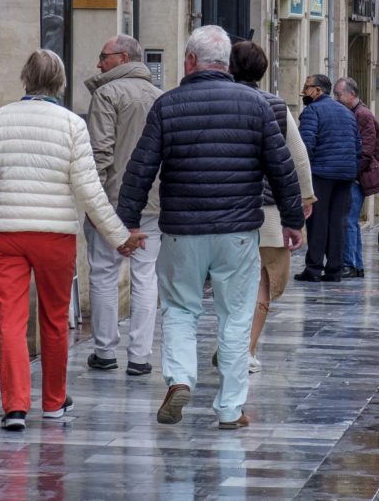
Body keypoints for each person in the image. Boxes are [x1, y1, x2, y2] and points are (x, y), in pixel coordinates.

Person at [117, 25, 305, 430]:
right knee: (235, 316)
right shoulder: (255, 105)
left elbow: (140, 168)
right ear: (224, 64)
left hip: (182, 230)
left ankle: (181, 378)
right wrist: (292, 221)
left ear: (189, 61)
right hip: (238, 231)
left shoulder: (168, 105)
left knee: (180, 309)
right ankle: (230, 409)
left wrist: (127, 223)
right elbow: (282, 168)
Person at [0, 50, 146, 431]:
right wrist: (119, 237)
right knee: (54, 318)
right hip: (53, 236)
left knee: (12, 321)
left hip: (3, 234)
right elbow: (89, 189)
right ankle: (52, 402)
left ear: (24, 78)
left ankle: (15, 407)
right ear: (60, 83)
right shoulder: (71, 125)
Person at [230, 41, 315, 372]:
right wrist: (304, 200)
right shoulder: (275, 106)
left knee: (228, 283)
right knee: (262, 282)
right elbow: (298, 157)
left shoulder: (216, 102)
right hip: (267, 212)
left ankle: (229, 342)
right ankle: (246, 349)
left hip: (224, 211)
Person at [84, 34, 163, 377]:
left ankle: (104, 350)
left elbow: (100, 152)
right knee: (145, 275)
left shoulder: (106, 94)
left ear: (122, 58)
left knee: (103, 271)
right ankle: (140, 356)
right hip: (154, 202)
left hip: (113, 201)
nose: (99, 64)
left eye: (103, 56)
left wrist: (94, 200)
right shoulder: (160, 96)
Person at [295, 74, 362, 283]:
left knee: (317, 220)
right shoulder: (347, 112)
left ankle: (313, 269)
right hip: (345, 175)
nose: (304, 92)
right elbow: (357, 146)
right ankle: (334, 269)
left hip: (322, 173)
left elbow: (305, 146)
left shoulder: (312, 111)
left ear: (318, 90)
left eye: (307, 88)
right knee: (337, 221)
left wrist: (305, 175)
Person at [334, 76, 379, 275]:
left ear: (352, 94)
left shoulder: (363, 115)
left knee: (348, 220)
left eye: (339, 94)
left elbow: (366, 151)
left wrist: (351, 172)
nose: (336, 98)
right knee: (351, 221)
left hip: (357, 176)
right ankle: (356, 265)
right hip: (355, 174)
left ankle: (349, 264)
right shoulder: (354, 112)